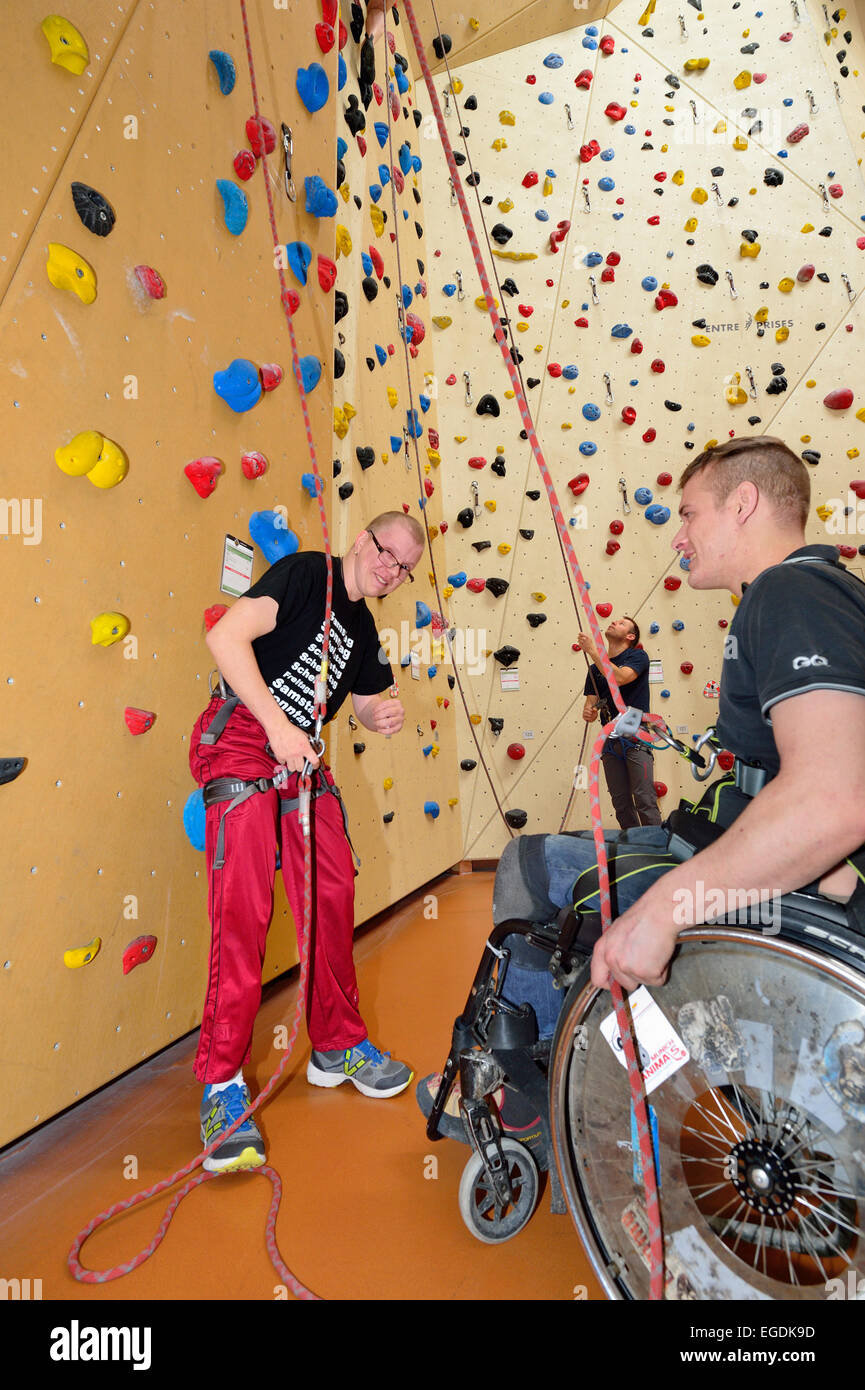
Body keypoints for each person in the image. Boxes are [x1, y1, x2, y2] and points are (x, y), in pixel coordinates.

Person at [487, 434, 865, 1029]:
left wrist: (667, 907)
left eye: (689, 513)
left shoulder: (792, 592)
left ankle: (527, 1104)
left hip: (762, 876)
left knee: (528, 864)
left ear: (742, 504)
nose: (678, 536)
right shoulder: (807, 593)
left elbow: (833, 800)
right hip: (727, 836)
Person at [190, 511, 425, 1172]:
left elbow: (364, 702)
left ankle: (336, 1043)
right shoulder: (306, 574)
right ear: (362, 540)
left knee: (332, 887)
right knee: (244, 907)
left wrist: (378, 713)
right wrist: (277, 727)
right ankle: (221, 1084)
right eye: (386, 553)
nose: (391, 569)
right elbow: (225, 637)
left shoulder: (364, 629)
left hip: (297, 758)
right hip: (242, 739)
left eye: (403, 567)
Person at [578, 617, 661, 829]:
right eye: (615, 621)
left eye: (621, 624)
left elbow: (622, 678)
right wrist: (589, 711)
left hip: (635, 734)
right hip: (609, 740)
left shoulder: (637, 656)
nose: (614, 622)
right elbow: (591, 704)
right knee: (621, 803)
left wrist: (594, 653)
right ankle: (634, 847)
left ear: (630, 636)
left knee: (644, 798)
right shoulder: (595, 670)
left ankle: (658, 849)